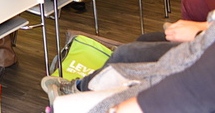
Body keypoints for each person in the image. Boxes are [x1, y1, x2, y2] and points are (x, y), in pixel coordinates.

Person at [42, 16, 215, 113]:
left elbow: (188, 87)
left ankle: (78, 88)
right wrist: (204, 27)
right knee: (143, 42)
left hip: (191, 63)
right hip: (198, 47)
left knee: (126, 55)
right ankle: (81, 87)